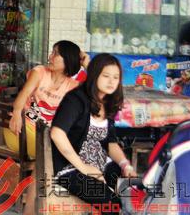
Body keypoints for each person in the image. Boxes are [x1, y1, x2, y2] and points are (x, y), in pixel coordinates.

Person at [50, 53, 137, 215]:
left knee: (133, 193)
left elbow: (110, 142)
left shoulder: (108, 102)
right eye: (106, 76)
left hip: (100, 162)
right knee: (111, 204)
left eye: (116, 77)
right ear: (95, 75)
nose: (111, 82)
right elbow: (57, 133)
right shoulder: (75, 99)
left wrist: (125, 164)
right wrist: (84, 168)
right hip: (71, 167)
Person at [8, 40, 87, 215]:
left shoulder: (73, 87)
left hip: (46, 140)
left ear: (68, 60)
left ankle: (34, 210)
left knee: (47, 157)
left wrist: (86, 62)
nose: (50, 56)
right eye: (52, 52)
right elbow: (23, 95)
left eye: (56, 54)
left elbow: (95, 89)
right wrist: (17, 112)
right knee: (50, 156)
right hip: (22, 131)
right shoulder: (39, 72)